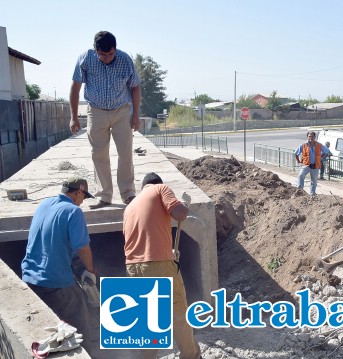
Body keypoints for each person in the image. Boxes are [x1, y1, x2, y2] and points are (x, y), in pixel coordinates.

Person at [123, 173, 201, 359]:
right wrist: (184, 206)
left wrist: (168, 253)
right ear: (157, 183)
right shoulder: (161, 189)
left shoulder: (130, 207)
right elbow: (179, 213)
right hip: (157, 266)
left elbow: (145, 236)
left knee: (147, 318)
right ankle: (191, 355)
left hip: (133, 267)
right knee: (178, 313)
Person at [69, 31, 141, 209]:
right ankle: (104, 195)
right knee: (99, 154)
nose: (107, 58)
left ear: (115, 50)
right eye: (103, 54)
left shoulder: (125, 60)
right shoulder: (85, 59)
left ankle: (128, 194)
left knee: (125, 153)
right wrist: (74, 117)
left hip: (121, 111)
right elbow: (75, 88)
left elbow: (135, 87)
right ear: (96, 51)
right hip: (96, 111)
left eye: (111, 54)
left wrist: (136, 115)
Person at [21, 176, 95, 335]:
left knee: (47, 327)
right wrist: (90, 271)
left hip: (29, 277)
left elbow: (53, 238)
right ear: (79, 192)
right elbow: (82, 248)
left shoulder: (44, 204)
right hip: (55, 280)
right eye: (84, 196)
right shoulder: (74, 211)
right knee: (79, 323)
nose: (83, 201)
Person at [295, 131, 331, 195]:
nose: (310, 138)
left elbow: (328, 152)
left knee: (314, 181)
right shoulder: (303, 145)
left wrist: (321, 158)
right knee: (301, 175)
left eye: (312, 136)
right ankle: (300, 191)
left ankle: (312, 194)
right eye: (309, 136)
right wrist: (299, 162)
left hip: (315, 166)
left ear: (315, 137)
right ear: (307, 137)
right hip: (306, 165)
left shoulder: (319, 145)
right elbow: (296, 153)